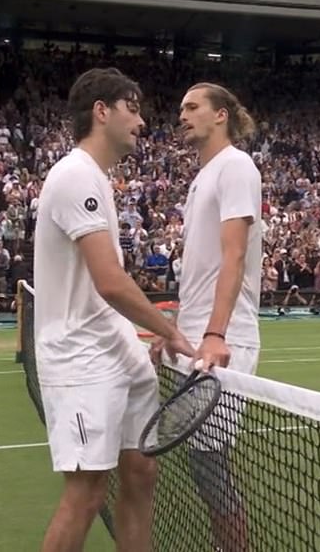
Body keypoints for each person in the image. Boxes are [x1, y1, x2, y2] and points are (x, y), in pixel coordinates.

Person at [33, 67, 194, 552]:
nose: (141, 121)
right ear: (101, 112)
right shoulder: (74, 175)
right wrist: (171, 331)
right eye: (133, 108)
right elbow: (109, 282)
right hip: (80, 359)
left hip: (119, 352)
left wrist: (138, 336)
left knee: (143, 473)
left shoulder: (99, 180)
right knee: (86, 494)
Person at [151, 82, 261, 552]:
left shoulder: (236, 166)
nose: (183, 114)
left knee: (209, 461)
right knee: (201, 463)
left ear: (221, 116)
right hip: (195, 337)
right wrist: (175, 330)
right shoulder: (203, 177)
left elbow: (233, 256)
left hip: (223, 338)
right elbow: (200, 270)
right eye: (181, 108)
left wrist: (215, 333)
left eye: (193, 107)